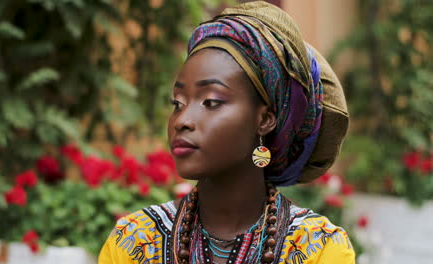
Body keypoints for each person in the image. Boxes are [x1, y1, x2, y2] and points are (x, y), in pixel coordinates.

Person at [98, 1, 354, 263]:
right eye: (178, 103)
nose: (182, 120)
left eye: (211, 101)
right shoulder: (133, 243)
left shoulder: (320, 249)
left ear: (265, 119)